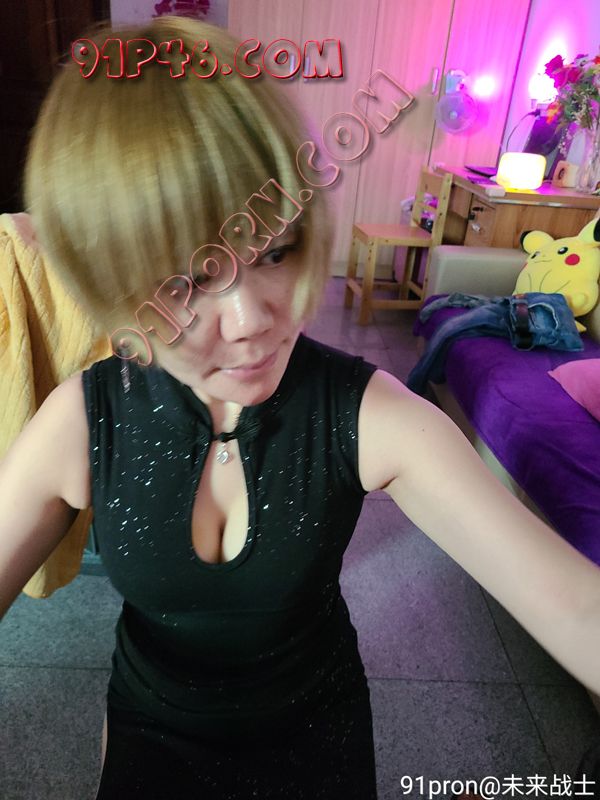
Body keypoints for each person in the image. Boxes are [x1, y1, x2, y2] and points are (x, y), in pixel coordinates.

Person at [1, 14, 599, 800]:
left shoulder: (368, 415)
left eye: (277, 250)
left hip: (318, 744)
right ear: (106, 280)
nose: (252, 320)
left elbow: (575, 608)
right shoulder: (83, 422)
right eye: (184, 281)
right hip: (149, 741)